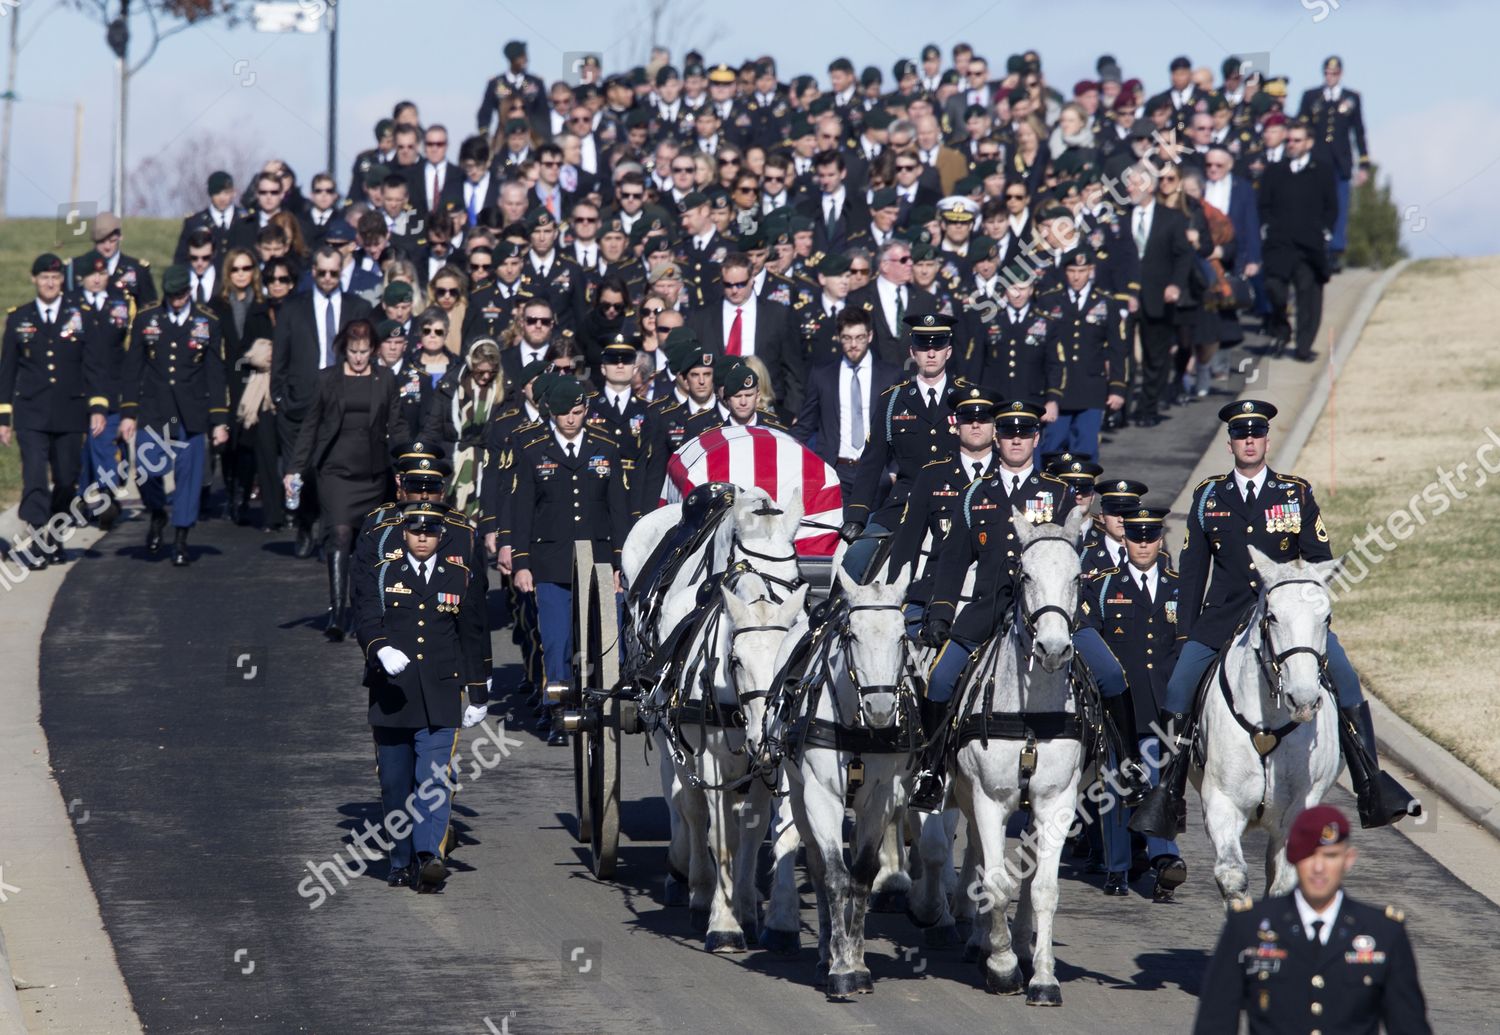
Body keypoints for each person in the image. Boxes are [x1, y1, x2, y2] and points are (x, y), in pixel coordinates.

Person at [1144, 401, 1417, 830]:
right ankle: (1167, 793)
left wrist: (1306, 611)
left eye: (1256, 434)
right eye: (1240, 434)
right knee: (1178, 689)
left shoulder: (1295, 493)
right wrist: (1185, 634)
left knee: (1345, 679)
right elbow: (1194, 571)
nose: (1249, 441)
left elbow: (1319, 561)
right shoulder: (1208, 496)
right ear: (1230, 442)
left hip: (1289, 619)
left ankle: (1371, 783)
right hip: (1222, 617)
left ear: (1267, 440)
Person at [913, 401, 1077, 809]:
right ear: (996, 439)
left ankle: (1115, 764)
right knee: (939, 680)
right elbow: (952, 563)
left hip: (1051, 612)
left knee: (1110, 675)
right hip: (988, 608)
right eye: (1008, 433)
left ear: (1037, 438)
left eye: (1025, 433)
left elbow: (1076, 563)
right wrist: (940, 614)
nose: (1016, 439)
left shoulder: (1057, 493)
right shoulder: (975, 494)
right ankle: (931, 770)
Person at [1194, 804, 1430, 1035]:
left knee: (1364, 765)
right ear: (1292, 857)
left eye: (1330, 856)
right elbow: (1215, 1023)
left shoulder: (1383, 933)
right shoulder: (1247, 927)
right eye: (1308, 855)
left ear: (1348, 859)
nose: (1319, 868)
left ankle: (1372, 783)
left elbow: (1409, 1026)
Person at [352, 501, 490, 893]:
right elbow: (365, 617)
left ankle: (429, 857)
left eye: (430, 531)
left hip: (441, 693)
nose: (423, 537)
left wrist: (478, 693)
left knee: (433, 779)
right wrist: (379, 647)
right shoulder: (383, 573)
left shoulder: (458, 577)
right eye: (416, 531)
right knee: (396, 784)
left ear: (441, 535)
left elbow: (472, 635)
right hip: (393, 696)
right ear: (405, 533)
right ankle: (400, 859)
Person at [509, 376, 628, 744]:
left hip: (599, 561)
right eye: (563, 413)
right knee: (557, 641)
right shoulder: (534, 450)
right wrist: (522, 562)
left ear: (586, 411)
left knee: (600, 640)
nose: (571, 420)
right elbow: (522, 509)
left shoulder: (605, 448)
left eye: (577, 412)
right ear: (551, 413)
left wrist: (622, 563)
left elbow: (618, 509)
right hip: (551, 561)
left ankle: (597, 707)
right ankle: (558, 710)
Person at [1081, 505, 1186, 901]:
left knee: (1159, 787)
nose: (1143, 544)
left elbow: (1185, 642)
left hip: (1162, 704)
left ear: (1160, 541)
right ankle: (1117, 867)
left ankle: (1164, 860)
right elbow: (1090, 638)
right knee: (1114, 786)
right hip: (1120, 706)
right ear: (1125, 541)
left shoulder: (1179, 586)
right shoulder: (1105, 585)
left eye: (1150, 537)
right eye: (1136, 537)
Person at [289, 320, 404, 639]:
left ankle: (362, 608)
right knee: (339, 534)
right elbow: (310, 426)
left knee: (367, 543)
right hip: (335, 471)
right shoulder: (328, 379)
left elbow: (397, 426)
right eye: (353, 351)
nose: (358, 358)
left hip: (372, 472)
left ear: (374, 350)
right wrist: (295, 469)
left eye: (364, 351)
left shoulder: (386, 379)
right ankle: (338, 611)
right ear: (344, 350)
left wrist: (404, 467)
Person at [839, 311, 966, 580]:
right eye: (923, 346)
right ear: (913, 352)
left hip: (957, 501)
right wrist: (856, 516)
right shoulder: (893, 401)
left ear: (949, 351)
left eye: (938, 346)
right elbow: (872, 463)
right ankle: (835, 618)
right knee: (854, 560)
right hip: (904, 503)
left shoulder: (967, 400)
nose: (930, 353)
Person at [0, 254, 109, 566]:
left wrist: (98, 406)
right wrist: (4, 418)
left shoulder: (81, 316)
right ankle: (36, 538)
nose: (49, 282)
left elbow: (94, 366)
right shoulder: (19, 317)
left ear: (63, 281)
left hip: (70, 411)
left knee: (65, 478)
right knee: (34, 475)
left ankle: (55, 534)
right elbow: (7, 370)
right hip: (31, 412)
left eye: (55, 277)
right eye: (44, 277)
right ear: (34, 279)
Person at [118, 265, 230, 566]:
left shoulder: (207, 321)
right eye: (172, 295)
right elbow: (132, 369)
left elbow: (215, 373)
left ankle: (181, 538)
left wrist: (219, 419)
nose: (177, 300)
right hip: (155, 410)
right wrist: (128, 412)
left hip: (191, 412)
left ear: (189, 292)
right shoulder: (146, 318)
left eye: (181, 295)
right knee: (146, 469)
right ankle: (156, 513)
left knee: (188, 479)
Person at [270, 244, 375, 558]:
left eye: (334, 272)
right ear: (313, 272)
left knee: (334, 470)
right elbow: (281, 357)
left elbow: (367, 352)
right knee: (303, 472)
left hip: (343, 401)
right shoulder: (293, 308)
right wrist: (280, 396)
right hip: (300, 401)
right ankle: (305, 522)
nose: (328, 278)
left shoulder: (357, 307)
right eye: (322, 272)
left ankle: (332, 535)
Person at [793, 308, 901, 498]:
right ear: (838, 338)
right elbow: (805, 425)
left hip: (877, 472)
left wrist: (892, 471)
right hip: (835, 472)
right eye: (847, 338)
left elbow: (902, 427)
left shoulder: (890, 376)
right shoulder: (822, 375)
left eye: (859, 337)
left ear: (870, 336)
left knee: (876, 528)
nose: (853, 345)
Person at [1259, 121, 1338, 362]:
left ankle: (1303, 346)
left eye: (1297, 140)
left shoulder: (1322, 171)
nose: (1291, 145)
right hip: (1280, 244)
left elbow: (1331, 206)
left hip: (1309, 245)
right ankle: (1282, 328)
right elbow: (1263, 205)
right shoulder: (1274, 171)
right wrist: (1269, 228)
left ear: (1309, 143)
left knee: (1309, 297)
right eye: (1289, 140)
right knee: (1274, 288)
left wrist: (1323, 231)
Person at [686, 254, 803, 414]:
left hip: (767, 407)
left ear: (752, 279)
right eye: (728, 285)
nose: (734, 290)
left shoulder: (778, 315)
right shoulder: (701, 318)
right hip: (716, 410)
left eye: (741, 284)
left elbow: (793, 370)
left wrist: (791, 413)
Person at [1039, 247, 1125, 459]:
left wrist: (1117, 387)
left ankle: (1083, 493)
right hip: (1059, 387)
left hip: (1091, 386)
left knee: (1086, 449)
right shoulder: (1049, 301)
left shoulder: (1106, 302)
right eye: (1072, 271)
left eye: (1082, 270)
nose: (1077, 277)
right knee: (1052, 446)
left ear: (1091, 270)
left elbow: (1116, 348)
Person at [211, 247, 274, 524]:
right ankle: (230, 488)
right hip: (226, 380)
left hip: (254, 382)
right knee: (227, 443)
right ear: (228, 272)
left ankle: (242, 496)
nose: (241, 274)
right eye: (235, 269)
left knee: (248, 442)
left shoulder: (263, 305)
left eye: (246, 268)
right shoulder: (217, 306)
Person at [1297, 56, 1369, 274]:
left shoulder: (1352, 98)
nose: (1331, 77)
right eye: (1328, 73)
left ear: (1341, 74)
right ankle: (1319, 247)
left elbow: (1359, 131)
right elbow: (1302, 127)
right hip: (1317, 161)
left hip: (1341, 162)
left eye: (1335, 73)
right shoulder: (1311, 97)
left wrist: (1363, 163)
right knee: (1317, 206)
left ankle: (1336, 251)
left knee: (1339, 206)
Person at [422, 339, 504, 522]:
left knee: (484, 529)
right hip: (453, 463)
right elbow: (432, 430)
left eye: (491, 372)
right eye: (480, 372)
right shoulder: (450, 387)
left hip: (488, 466)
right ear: (470, 365)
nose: (485, 377)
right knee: (452, 524)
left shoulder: (503, 390)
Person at [88, 212, 157, 305]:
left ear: (120, 237)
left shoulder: (138, 269)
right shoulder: (78, 268)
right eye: (102, 242)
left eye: (112, 241)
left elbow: (149, 310)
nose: (107, 247)